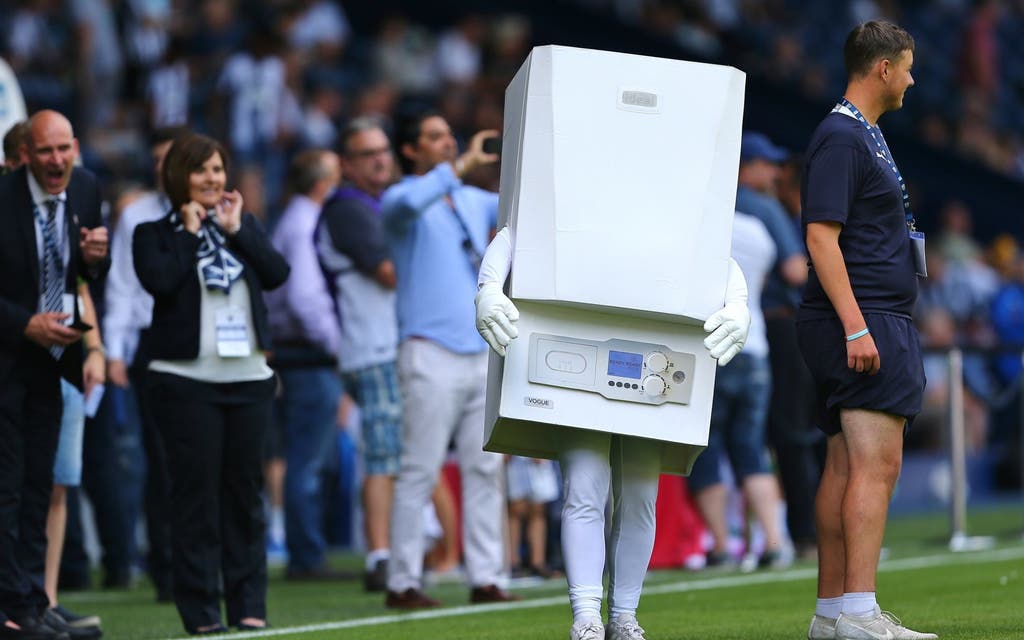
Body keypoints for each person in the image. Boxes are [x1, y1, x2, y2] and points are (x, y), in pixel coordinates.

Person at [474, 225, 750, 640]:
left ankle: (624, 616)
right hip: (578, 337)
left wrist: (739, 302)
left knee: (640, 496)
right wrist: (488, 287)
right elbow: (525, 226)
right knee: (584, 487)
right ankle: (586, 617)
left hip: (651, 342)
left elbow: (706, 243)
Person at [797, 21, 936, 640]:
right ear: (882, 68)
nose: (911, 78)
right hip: (863, 319)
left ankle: (831, 617)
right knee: (875, 468)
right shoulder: (843, 137)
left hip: (868, 315)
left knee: (844, 468)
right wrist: (856, 329)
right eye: (906, 67)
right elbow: (820, 238)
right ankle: (858, 611)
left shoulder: (864, 135)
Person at [132, 133, 289, 634]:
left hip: (247, 378)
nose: (212, 179)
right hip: (185, 381)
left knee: (245, 496)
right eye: (201, 171)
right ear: (179, 176)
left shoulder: (242, 226)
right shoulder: (152, 232)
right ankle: (200, 611)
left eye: (218, 170)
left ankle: (248, 603)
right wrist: (187, 231)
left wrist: (237, 229)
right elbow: (160, 281)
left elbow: (276, 273)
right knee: (195, 499)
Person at [380, 111, 517, 608]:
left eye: (448, 136)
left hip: (477, 351)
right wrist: (459, 165)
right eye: (433, 137)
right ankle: (402, 581)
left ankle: (485, 575)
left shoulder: (471, 199)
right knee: (420, 468)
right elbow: (410, 201)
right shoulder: (400, 201)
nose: (447, 143)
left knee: (485, 471)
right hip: (428, 351)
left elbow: (514, 211)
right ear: (411, 150)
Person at [0, 109, 109, 640]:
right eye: (46, 151)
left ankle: (33, 601)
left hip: (54, 361)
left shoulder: (87, 188)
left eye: (64, 149)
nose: (57, 160)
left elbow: (83, 273)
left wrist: (95, 260)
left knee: (40, 484)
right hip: (7, 357)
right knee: (7, 487)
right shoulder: (3, 200)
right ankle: (9, 610)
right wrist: (26, 323)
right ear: (26, 154)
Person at [315, 118, 402, 592]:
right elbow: (390, 273)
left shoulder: (375, 203)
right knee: (384, 455)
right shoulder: (347, 207)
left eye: (384, 149)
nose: (380, 159)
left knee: (398, 453)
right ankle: (380, 556)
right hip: (372, 347)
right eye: (368, 153)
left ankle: (405, 549)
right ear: (345, 164)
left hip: (383, 345)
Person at [103, 126, 188, 601]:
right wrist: (114, 350)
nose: (161, 167)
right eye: (156, 159)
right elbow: (120, 285)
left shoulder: (217, 209)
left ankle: (200, 561)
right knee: (159, 461)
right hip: (148, 346)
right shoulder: (136, 213)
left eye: (170, 158)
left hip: (204, 346)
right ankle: (167, 567)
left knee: (200, 461)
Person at [687, 211, 788, 572]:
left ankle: (720, 545)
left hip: (713, 345)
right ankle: (774, 542)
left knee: (706, 447)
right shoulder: (759, 227)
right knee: (752, 451)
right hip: (755, 345)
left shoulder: (701, 223)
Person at [264, 149, 345, 580]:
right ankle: (306, 555)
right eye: (336, 175)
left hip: (295, 354)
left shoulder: (292, 218)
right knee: (308, 461)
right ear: (321, 183)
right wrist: (339, 346)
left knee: (304, 458)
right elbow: (304, 298)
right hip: (309, 356)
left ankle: (306, 549)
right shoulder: (305, 223)